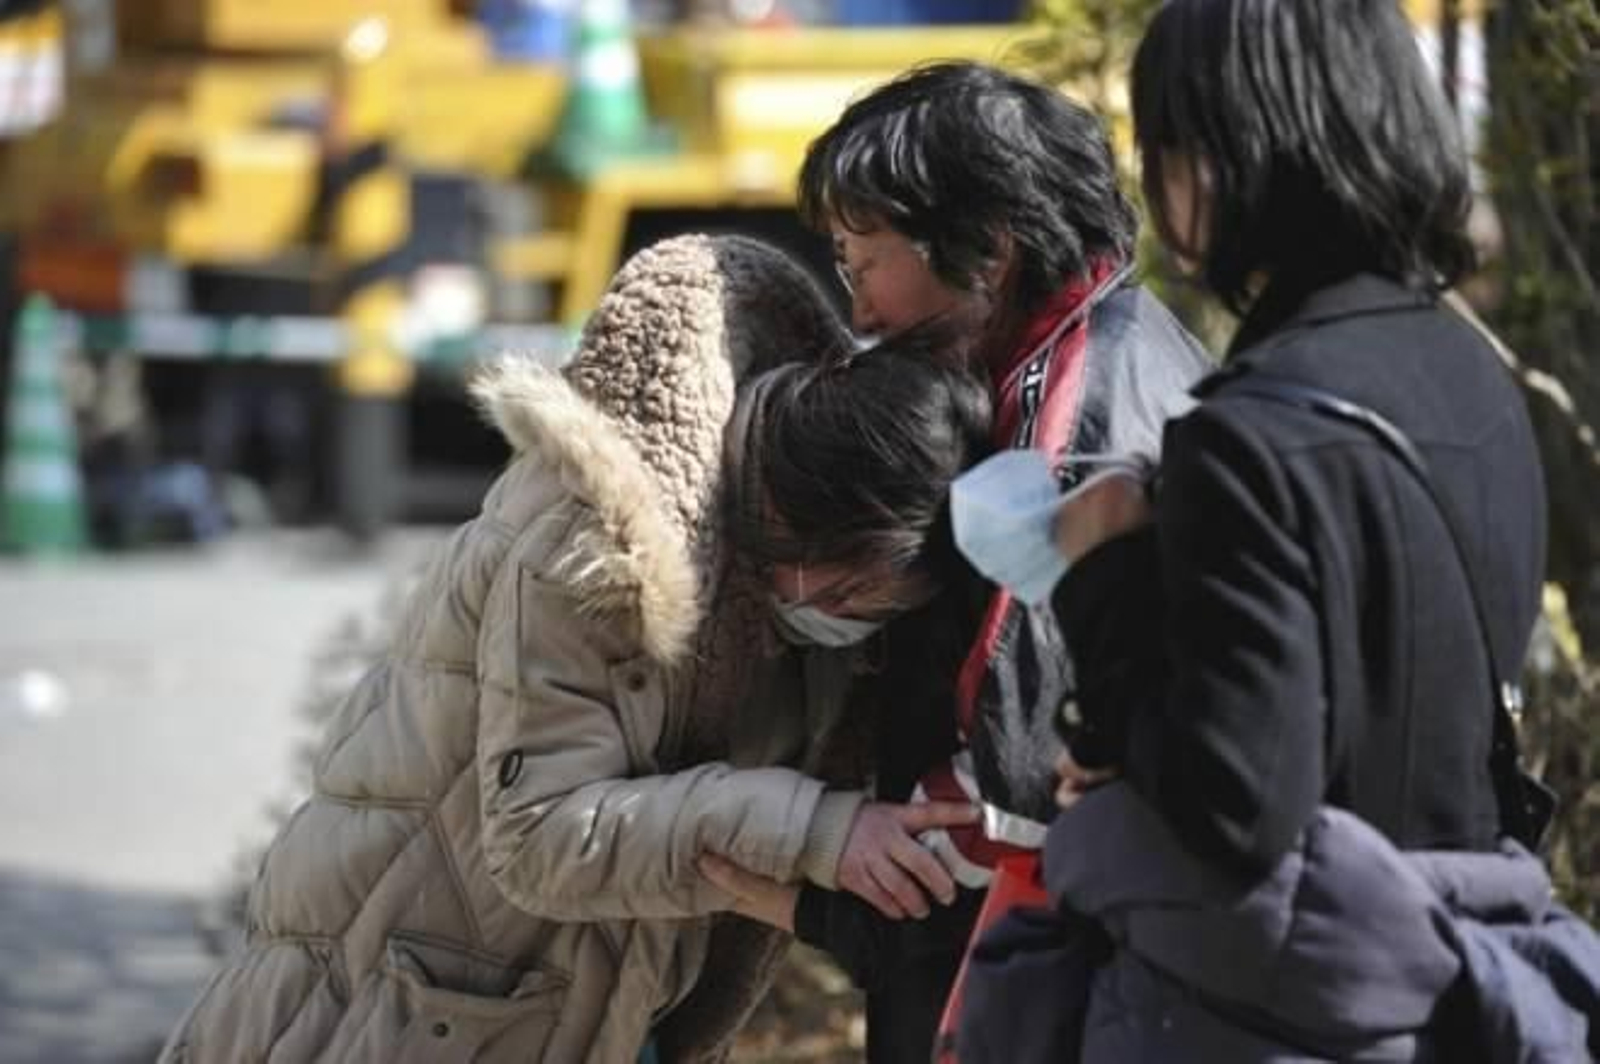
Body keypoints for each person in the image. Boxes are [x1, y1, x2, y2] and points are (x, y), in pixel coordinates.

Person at [156, 234, 982, 1064]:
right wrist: (818, 831)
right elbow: (542, 837)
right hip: (390, 1005)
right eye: (855, 596)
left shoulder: (776, 575)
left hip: (568, 1008)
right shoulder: (593, 547)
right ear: (804, 531)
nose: (856, 622)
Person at [956, 0, 1592, 1057]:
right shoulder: (1467, 371)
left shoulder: (1249, 432)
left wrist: (1101, 564)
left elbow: (1236, 804)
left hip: (1284, 999)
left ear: (1219, 160)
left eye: (1159, 149)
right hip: (1455, 975)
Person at [703, 59, 1212, 1064]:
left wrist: (770, 875)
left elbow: (1008, 787)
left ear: (986, 249)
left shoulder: (1069, 434)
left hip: (1030, 975)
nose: (856, 308)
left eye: (861, 260)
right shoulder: (1106, 343)